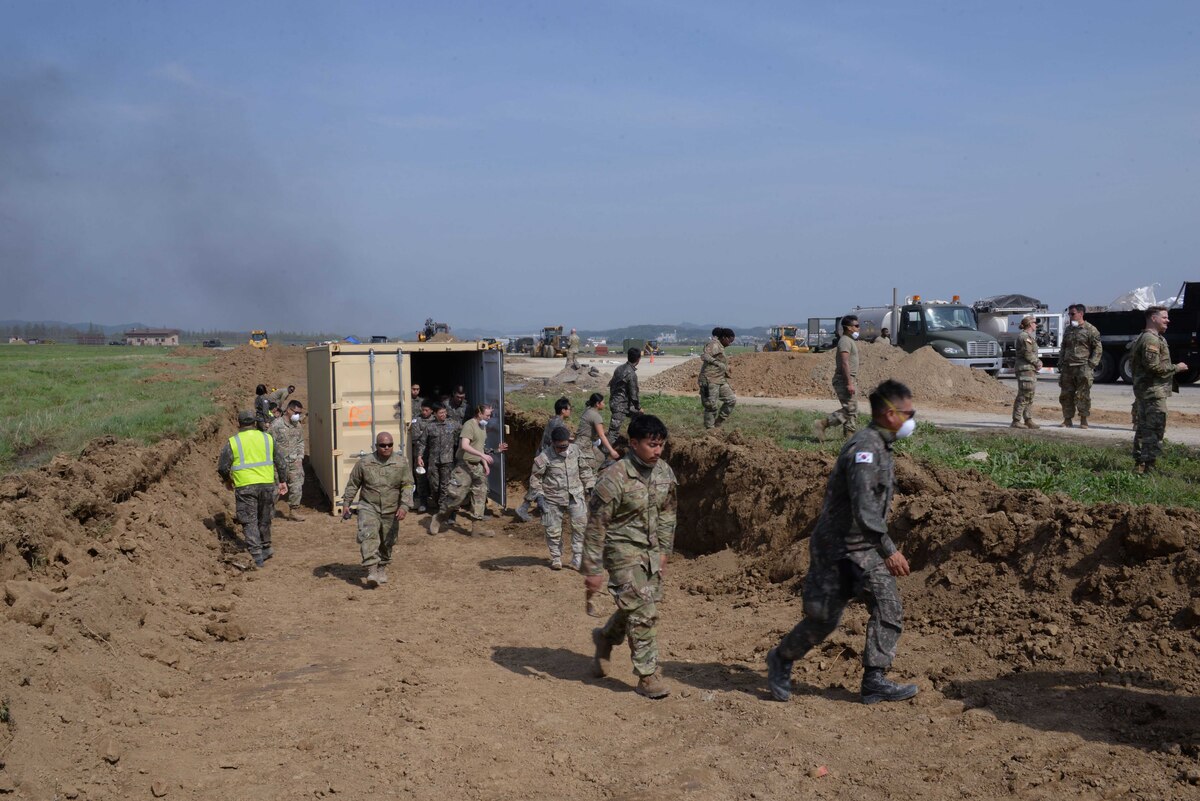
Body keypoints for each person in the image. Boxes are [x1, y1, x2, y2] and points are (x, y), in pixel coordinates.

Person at [767, 379, 919, 705]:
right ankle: (781, 658)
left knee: (887, 603)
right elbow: (865, 511)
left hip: (861, 548)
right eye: (908, 413)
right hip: (836, 549)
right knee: (823, 619)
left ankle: (874, 680)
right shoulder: (864, 450)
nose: (912, 420)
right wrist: (890, 551)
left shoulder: (881, 445)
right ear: (889, 414)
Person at [584, 414, 677, 700]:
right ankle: (647, 676)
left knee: (634, 603)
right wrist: (593, 568)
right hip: (620, 550)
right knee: (643, 609)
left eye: (661, 445)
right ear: (634, 444)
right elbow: (596, 525)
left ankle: (606, 637)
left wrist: (663, 551)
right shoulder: (614, 477)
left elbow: (668, 514)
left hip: (649, 551)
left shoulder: (664, 473)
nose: (657, 451)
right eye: (652, 445)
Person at [340, 431, 415, 588]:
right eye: (382, 445)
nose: (386, 448)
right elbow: (354, 483)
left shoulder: (401, 463)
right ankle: (372, 570)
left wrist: (404, 505)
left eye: (389, 445)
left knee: (388, 541)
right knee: (368, 536)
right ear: (376, 446)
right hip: (369, 506)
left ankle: (382, 567)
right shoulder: (364, 463)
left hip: (391, 508)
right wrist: (347, 503)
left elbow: (407, 485)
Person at [217, 410, 288, 568]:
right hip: (267, 484)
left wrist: (228, 480)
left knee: (249, 520)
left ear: (239, 424)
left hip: (245, 486)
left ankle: (256, 555)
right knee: (264, 517)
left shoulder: (234, 442)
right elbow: (281, 461)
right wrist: (282, 481)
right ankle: (266, 547)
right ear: (255, 423)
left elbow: (222, 467)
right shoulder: (267, 438)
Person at [430, 404, 508, 536]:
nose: (489, 418)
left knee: (480, 495)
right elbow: (464, 445)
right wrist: (483, 456)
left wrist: (484, 463)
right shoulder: (469, 425)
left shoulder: (482, 426)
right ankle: (439, 517)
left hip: (477, 466)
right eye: (487, 415)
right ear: (479, 414)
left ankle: (476, 528)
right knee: (457, 496)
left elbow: (479, 447)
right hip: (464, 466)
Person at [1130, 306, 1188, 474]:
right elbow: (1153, 367)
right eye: (1164, 317)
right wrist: (1177, 368)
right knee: (1154, 429)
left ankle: (1141, 464)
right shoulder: (1151, 340)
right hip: (1152, 392)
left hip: (1147, 391)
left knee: (1144, 428)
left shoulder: (1150, 337)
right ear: (1153, 318)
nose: (1167, 320)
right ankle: (1148, 467)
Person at [527, 427, 594, 570]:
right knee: (553, 530)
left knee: (580, 527)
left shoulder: (575, 450)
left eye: (565, 446)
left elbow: (585, 469)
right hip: (553, 499)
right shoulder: (544, 457)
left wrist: (590, 486)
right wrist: (539, 496)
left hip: (575, 496)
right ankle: (556, 558)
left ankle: (577, 557)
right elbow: (535, 478)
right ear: (553, 443)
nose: (563, 449)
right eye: (559, 447)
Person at [812, 315, 860, 441]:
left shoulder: (849, 341)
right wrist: (849, 383)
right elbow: (845, 363)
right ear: (849, 328)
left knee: (851, 410)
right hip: (844, 379)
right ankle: (823, 424)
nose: (858, 328)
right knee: (850, 409)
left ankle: (849, 438)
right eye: (856, 326)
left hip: (848, 378)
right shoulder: (845, 341)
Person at [1058, 304, 1102, 428]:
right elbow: (1063, 347)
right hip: (1068, 367)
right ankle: (1067, 419)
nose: (1070, 316)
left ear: (1081, 314)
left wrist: (1091, 364)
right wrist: (1061, 362)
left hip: (1083, 366)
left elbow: (1098, 348)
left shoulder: (1090, 329)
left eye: (1073, 314)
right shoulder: (1068, 329)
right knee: (1066, 394)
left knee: (1083, 394)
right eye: (1069, 314)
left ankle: (1083, 419)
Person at [417, 404, 461, 512]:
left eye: (444, 412)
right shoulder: (430, 426)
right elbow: (422, 443)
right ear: (435, 414)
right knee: (434, 485)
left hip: (447, 460)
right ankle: (437, 502)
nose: (443, 415)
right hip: (433, 461)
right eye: (441, 413)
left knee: (445, 485)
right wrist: (419, 456)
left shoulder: (452, 424)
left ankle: (442, 508)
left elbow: (464, 431)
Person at [270, 400, 307, 520]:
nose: (298, 415)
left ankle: (293, 512)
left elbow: (300, 442)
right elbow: (269, 443)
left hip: (294, 463)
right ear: (288, 410)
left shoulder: (298, 425)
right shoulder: (276, 425)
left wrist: (300, 458)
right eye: (296, 412)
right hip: (279, 464)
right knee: (275, 488)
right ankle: (269, 511)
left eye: (299, 413)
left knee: (297, 487)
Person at [576, 392, 619, 485]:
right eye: (603, 402)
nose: (604, 404)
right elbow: (602, 436)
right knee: (591, 466)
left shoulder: (588, 410)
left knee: (600, 457)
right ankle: (588, 485)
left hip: (582, 442)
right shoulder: (596, 416)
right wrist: (611, 450)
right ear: (597, 404)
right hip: (584, 445)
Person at [699, 327, 737, 429]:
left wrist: (725, 370)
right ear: (724, 337)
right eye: (729, 341)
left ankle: (718, 422)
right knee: (711, 406)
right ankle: (710, 431)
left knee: (731, 400)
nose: (730, 343)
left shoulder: (721, 347)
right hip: (708, 380)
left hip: (720, 380)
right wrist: (717, 363)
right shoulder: (714, 344)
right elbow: (704, 356)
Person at [1010, 316, 1042, 430]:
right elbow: (1027, 354)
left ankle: (1028, 419)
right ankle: (1016, 420)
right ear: (1030, 324)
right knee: (1024, 394)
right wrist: (1037, 362)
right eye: (1034, 323)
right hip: (1025, 369)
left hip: (1029, 369)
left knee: (1030, 395)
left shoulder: (1029, 337)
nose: (1036, 325)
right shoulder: (1024, 337)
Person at [607, 348, 642, 442]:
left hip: (616, 402)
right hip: (620, 405)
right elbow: (634, 395)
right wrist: (638, 407)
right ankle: (604, 453)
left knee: (638, 419)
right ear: (638, 359)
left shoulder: (619, 368)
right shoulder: (631, 374)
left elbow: (612, 385)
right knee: (613, 433)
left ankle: (634, 441)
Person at [410, 400, 436, 512]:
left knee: (434, 478)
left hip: (433, 455)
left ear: (431, 411)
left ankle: (435, 500)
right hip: (420, 455)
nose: (424, 412)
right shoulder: (417, 420)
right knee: (421, 479)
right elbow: (415, 437)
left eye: (427, 410)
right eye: (423, 410)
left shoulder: (435, 420)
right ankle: (423, 502)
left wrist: (423, 433)